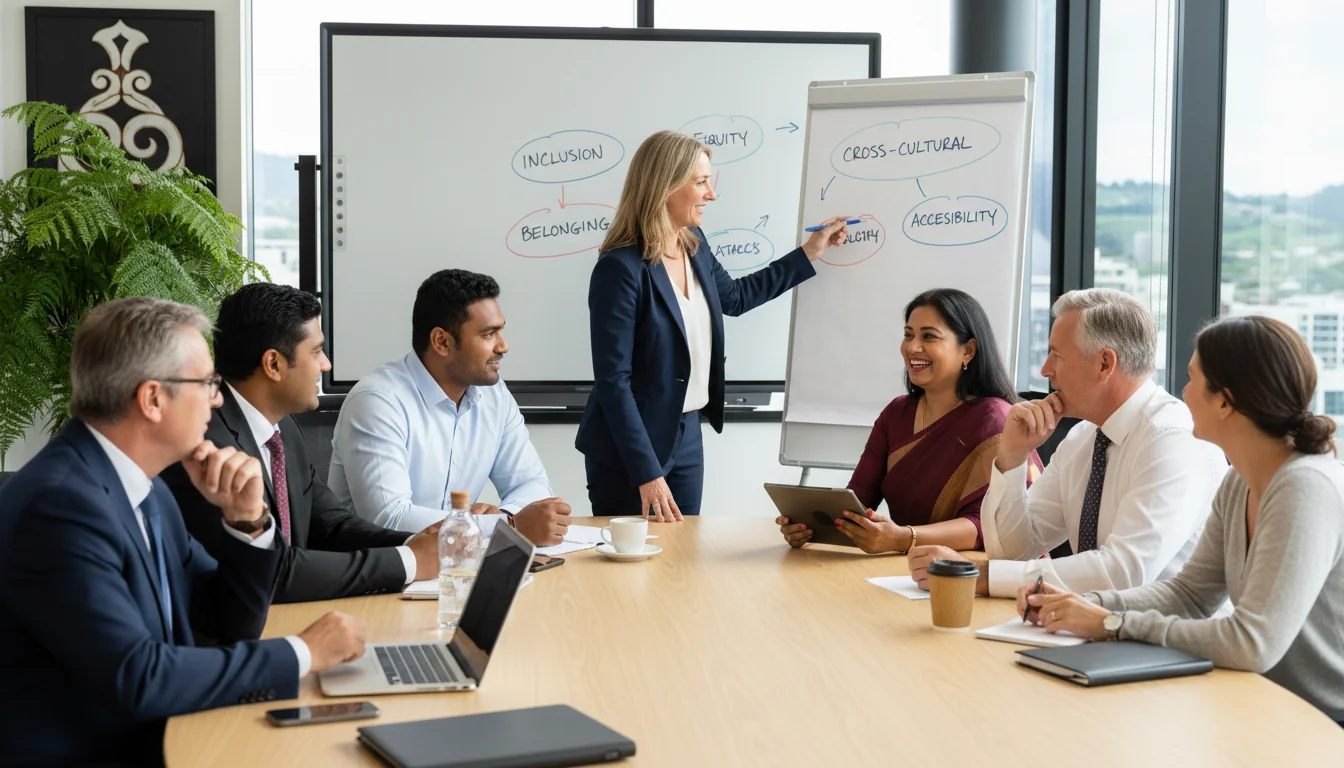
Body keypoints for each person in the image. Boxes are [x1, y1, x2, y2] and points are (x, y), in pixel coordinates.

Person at [0, 298, 365, 766]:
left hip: (164, 734)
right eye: (208, 383)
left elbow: (224, 624)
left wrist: (246, 521)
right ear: (153, 399)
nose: (218, 398)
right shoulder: (60, 506)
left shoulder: (144, 486)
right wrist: (302, 653)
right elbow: (140, 677)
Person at [1020, 316, 1344, 723]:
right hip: (1254, 702)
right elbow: (1190, 596)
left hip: (1319, 722)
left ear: (1225, 402)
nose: (1184, 393)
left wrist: (1114, 624)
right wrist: (1084, 604)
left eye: (1192, 380)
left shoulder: (1304, 487)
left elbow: (1252, 642)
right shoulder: (1238, 482)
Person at [577, 129, 850, 520]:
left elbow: (735, 298)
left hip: (686, 433)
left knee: (685, 563)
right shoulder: (619, 269)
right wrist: (647, 472)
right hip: (630, 452)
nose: (711, 194)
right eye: (702, 181)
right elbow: (612, 381)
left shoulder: (694, 242)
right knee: (636, 572)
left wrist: (809, 253)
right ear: (665, 186)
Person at [907, 288, 1227, 596]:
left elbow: (1124, 573)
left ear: (1104, 363)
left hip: (1163, 641)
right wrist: (1013, 456)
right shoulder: (1084, 437)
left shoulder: (1171, 440)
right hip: (1095, 630)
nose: (1046, 370)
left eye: (1056, 355)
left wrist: (985, 577)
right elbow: (1013, 551)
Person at [163, 284, 442, 603]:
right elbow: (271, 569)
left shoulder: (282, 427)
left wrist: (419, 544)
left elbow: (329, 526)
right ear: (273, 365)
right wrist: (409, 562)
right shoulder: (205, 443)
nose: (326, 364)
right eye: (316, 351)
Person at [776, 288, 1041, 553]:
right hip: (906, 571)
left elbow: (987, 527)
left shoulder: (994, 418)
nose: (913, 347)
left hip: (976, 576)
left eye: (929, 337)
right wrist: (811, 526)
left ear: (968, 350)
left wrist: (903, 538)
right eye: (908, 335)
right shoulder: (897, 413)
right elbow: (857, 500)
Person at [329, 269, 571, 546]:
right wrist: (504, 527)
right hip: (380, 572)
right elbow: (389, 519)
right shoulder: (377, 401)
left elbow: (533, 484)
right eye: (488, 334)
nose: (503, 346)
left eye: (501, 330)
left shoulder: (494, 395)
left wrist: (505, 514)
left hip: (457, 566)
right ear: (442, 341)